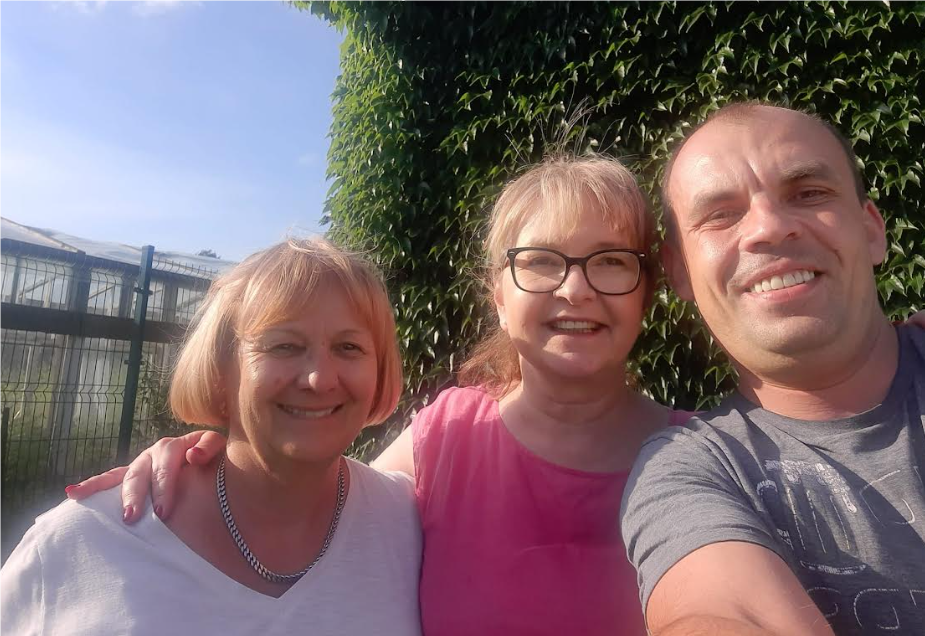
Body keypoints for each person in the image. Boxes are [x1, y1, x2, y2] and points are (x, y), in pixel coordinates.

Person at [67, 155, 692, 636]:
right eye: (542, 261)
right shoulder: (449, 437)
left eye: (610, 261)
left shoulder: (709, 461)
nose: (576, 289)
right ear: (499, 298)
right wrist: (211, 458)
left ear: (647, 289)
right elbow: (311, 486)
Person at [0, 238, 422, 635]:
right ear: (221, 369)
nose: (319, 378)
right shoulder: (80, 544)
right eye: (284, 346)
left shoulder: (408, 525)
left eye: (349, 348)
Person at [620, 102, 925, 636]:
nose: (769, 227)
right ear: (680, 272)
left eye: (809, 193)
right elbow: (717, 614)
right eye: (720, 215)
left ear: (872, 229)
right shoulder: (690, 472)